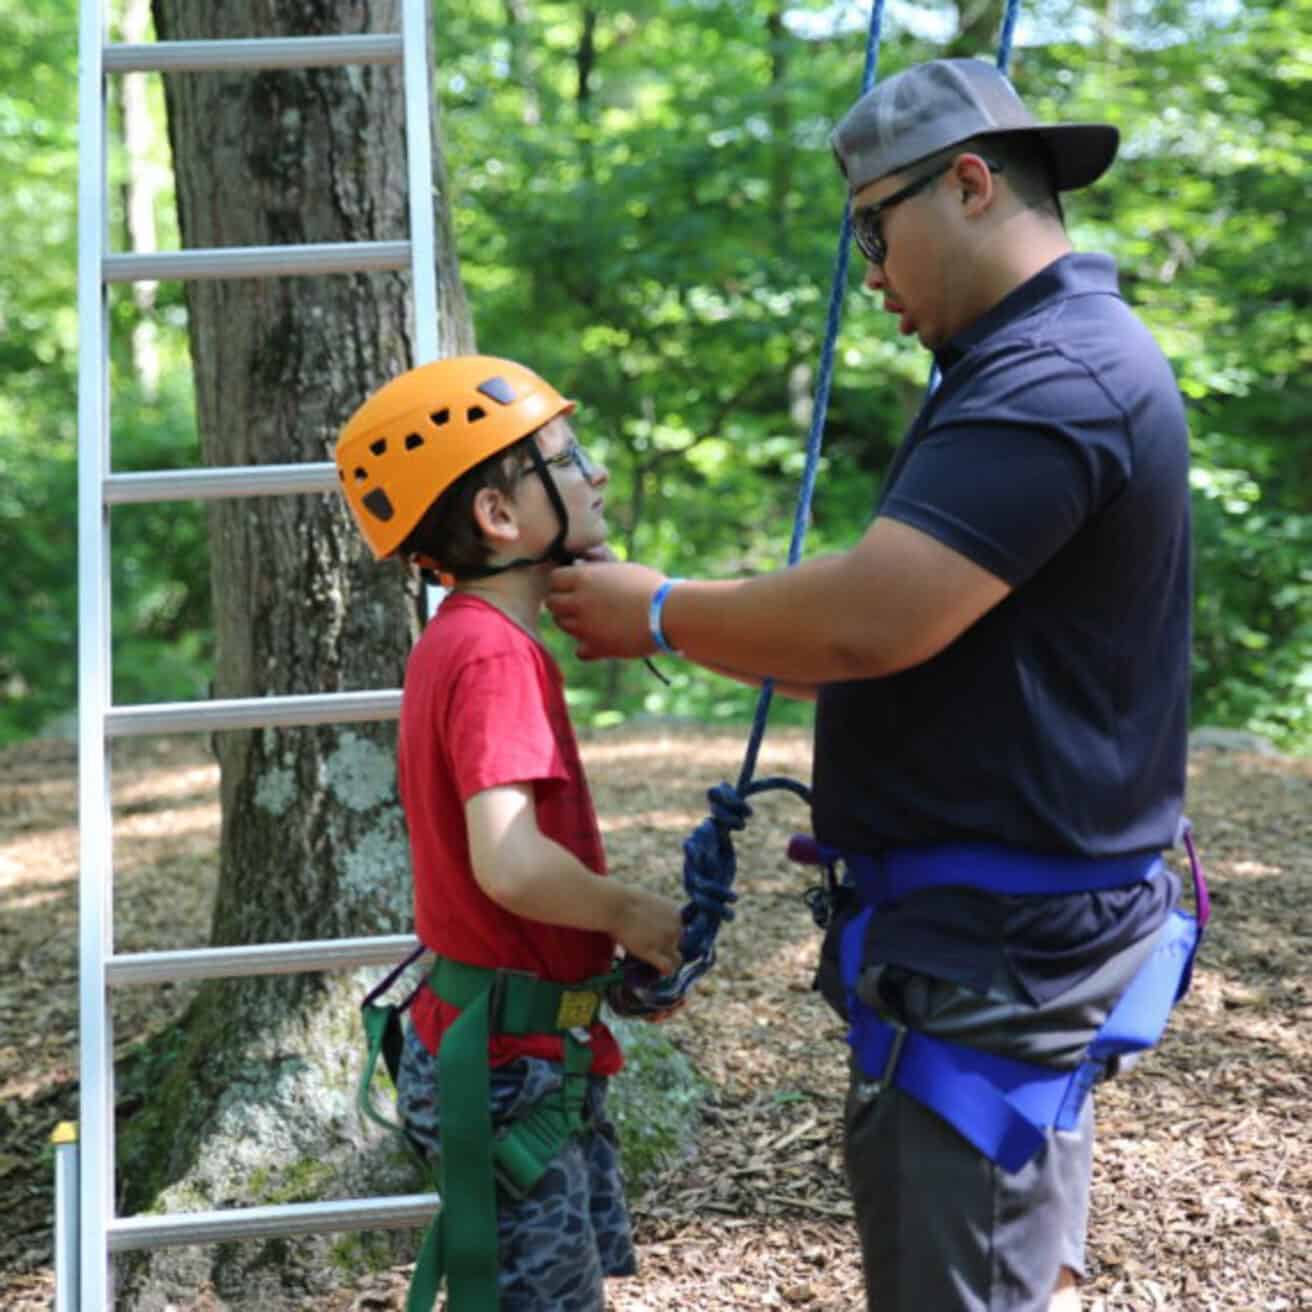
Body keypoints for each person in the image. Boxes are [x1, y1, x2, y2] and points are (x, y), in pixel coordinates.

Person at [545, 57, 1194, 1312]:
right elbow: (923, 633)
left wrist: (664, 613)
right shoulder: (1039, 362)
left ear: (967, 186)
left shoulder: (1055, 379)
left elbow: (872, 619)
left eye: (871, 228)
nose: (869, 273)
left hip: (993, 957)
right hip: (996, 947)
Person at [334, 355, 685, 1312]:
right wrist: (634, 915)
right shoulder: (492, 654)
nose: (597, 474)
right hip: (505, 1072)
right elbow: (512, 861)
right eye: (569, 460)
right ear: (498, 515)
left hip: (517, 1051)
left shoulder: (463, 637)